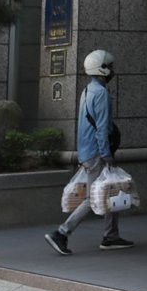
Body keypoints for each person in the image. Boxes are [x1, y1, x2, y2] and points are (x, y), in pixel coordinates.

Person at [45, 49, 134, 255]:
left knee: (110, 189)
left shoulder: (88, 90)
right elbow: (101, 128)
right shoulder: (101, 93)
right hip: (97, 152)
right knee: (95, 196)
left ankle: (111, 236)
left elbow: (85, 125)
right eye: (109, 66)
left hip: (87, 151)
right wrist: (106, 154)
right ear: (101, 68)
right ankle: (61, 233)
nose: (112, 70)